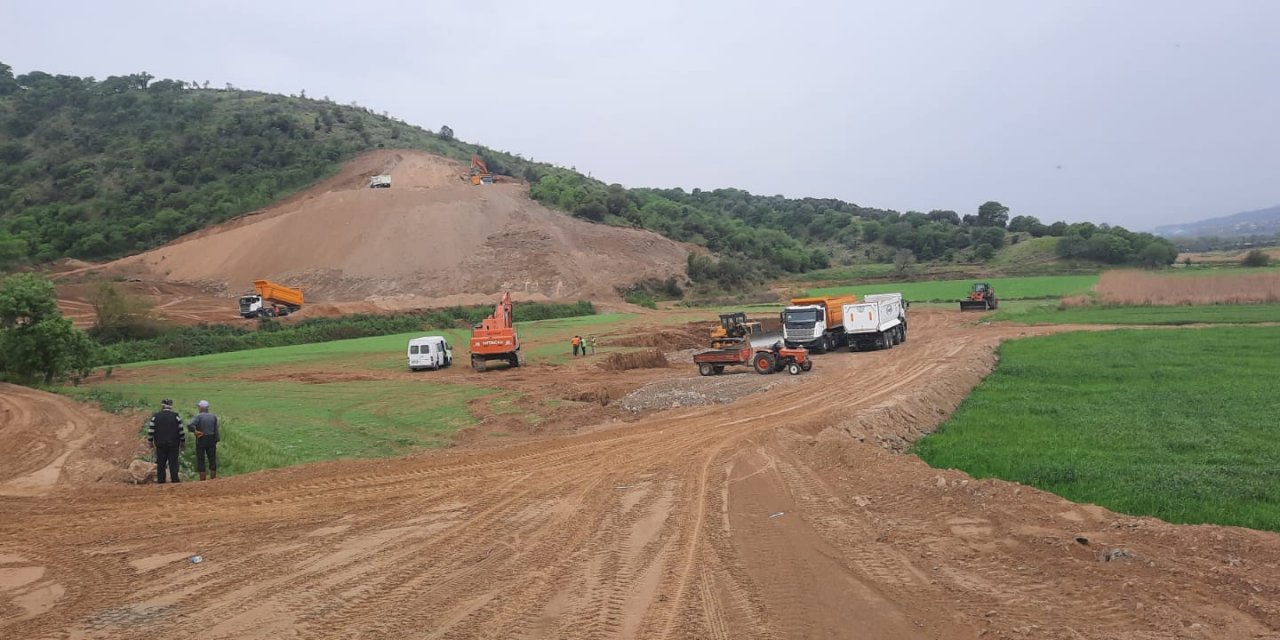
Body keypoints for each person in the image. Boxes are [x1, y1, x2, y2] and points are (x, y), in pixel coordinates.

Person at [146, 399, 185, 484]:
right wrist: (182, 442)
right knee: (173, 463)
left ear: (162, 406)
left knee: (161, 463)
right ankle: (175, 480)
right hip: (173, 444)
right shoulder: (176, 416)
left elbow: (151, 430)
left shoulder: (156, 416)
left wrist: (150, 441)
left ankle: (161, 480)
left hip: (160, 444)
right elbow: (181, 430)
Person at [188, 400, 221, 481]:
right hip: (211, 438)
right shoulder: (213, 416)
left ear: (201, 408)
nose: (198, 408)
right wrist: (216, 440)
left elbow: (190, 425)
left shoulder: (198, 417)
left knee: (201, 458)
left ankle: (202, 479)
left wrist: (195, 431)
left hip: (201, 438)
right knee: (212, 458)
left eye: (198, 407)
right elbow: (216, 430)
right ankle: (213, 478)